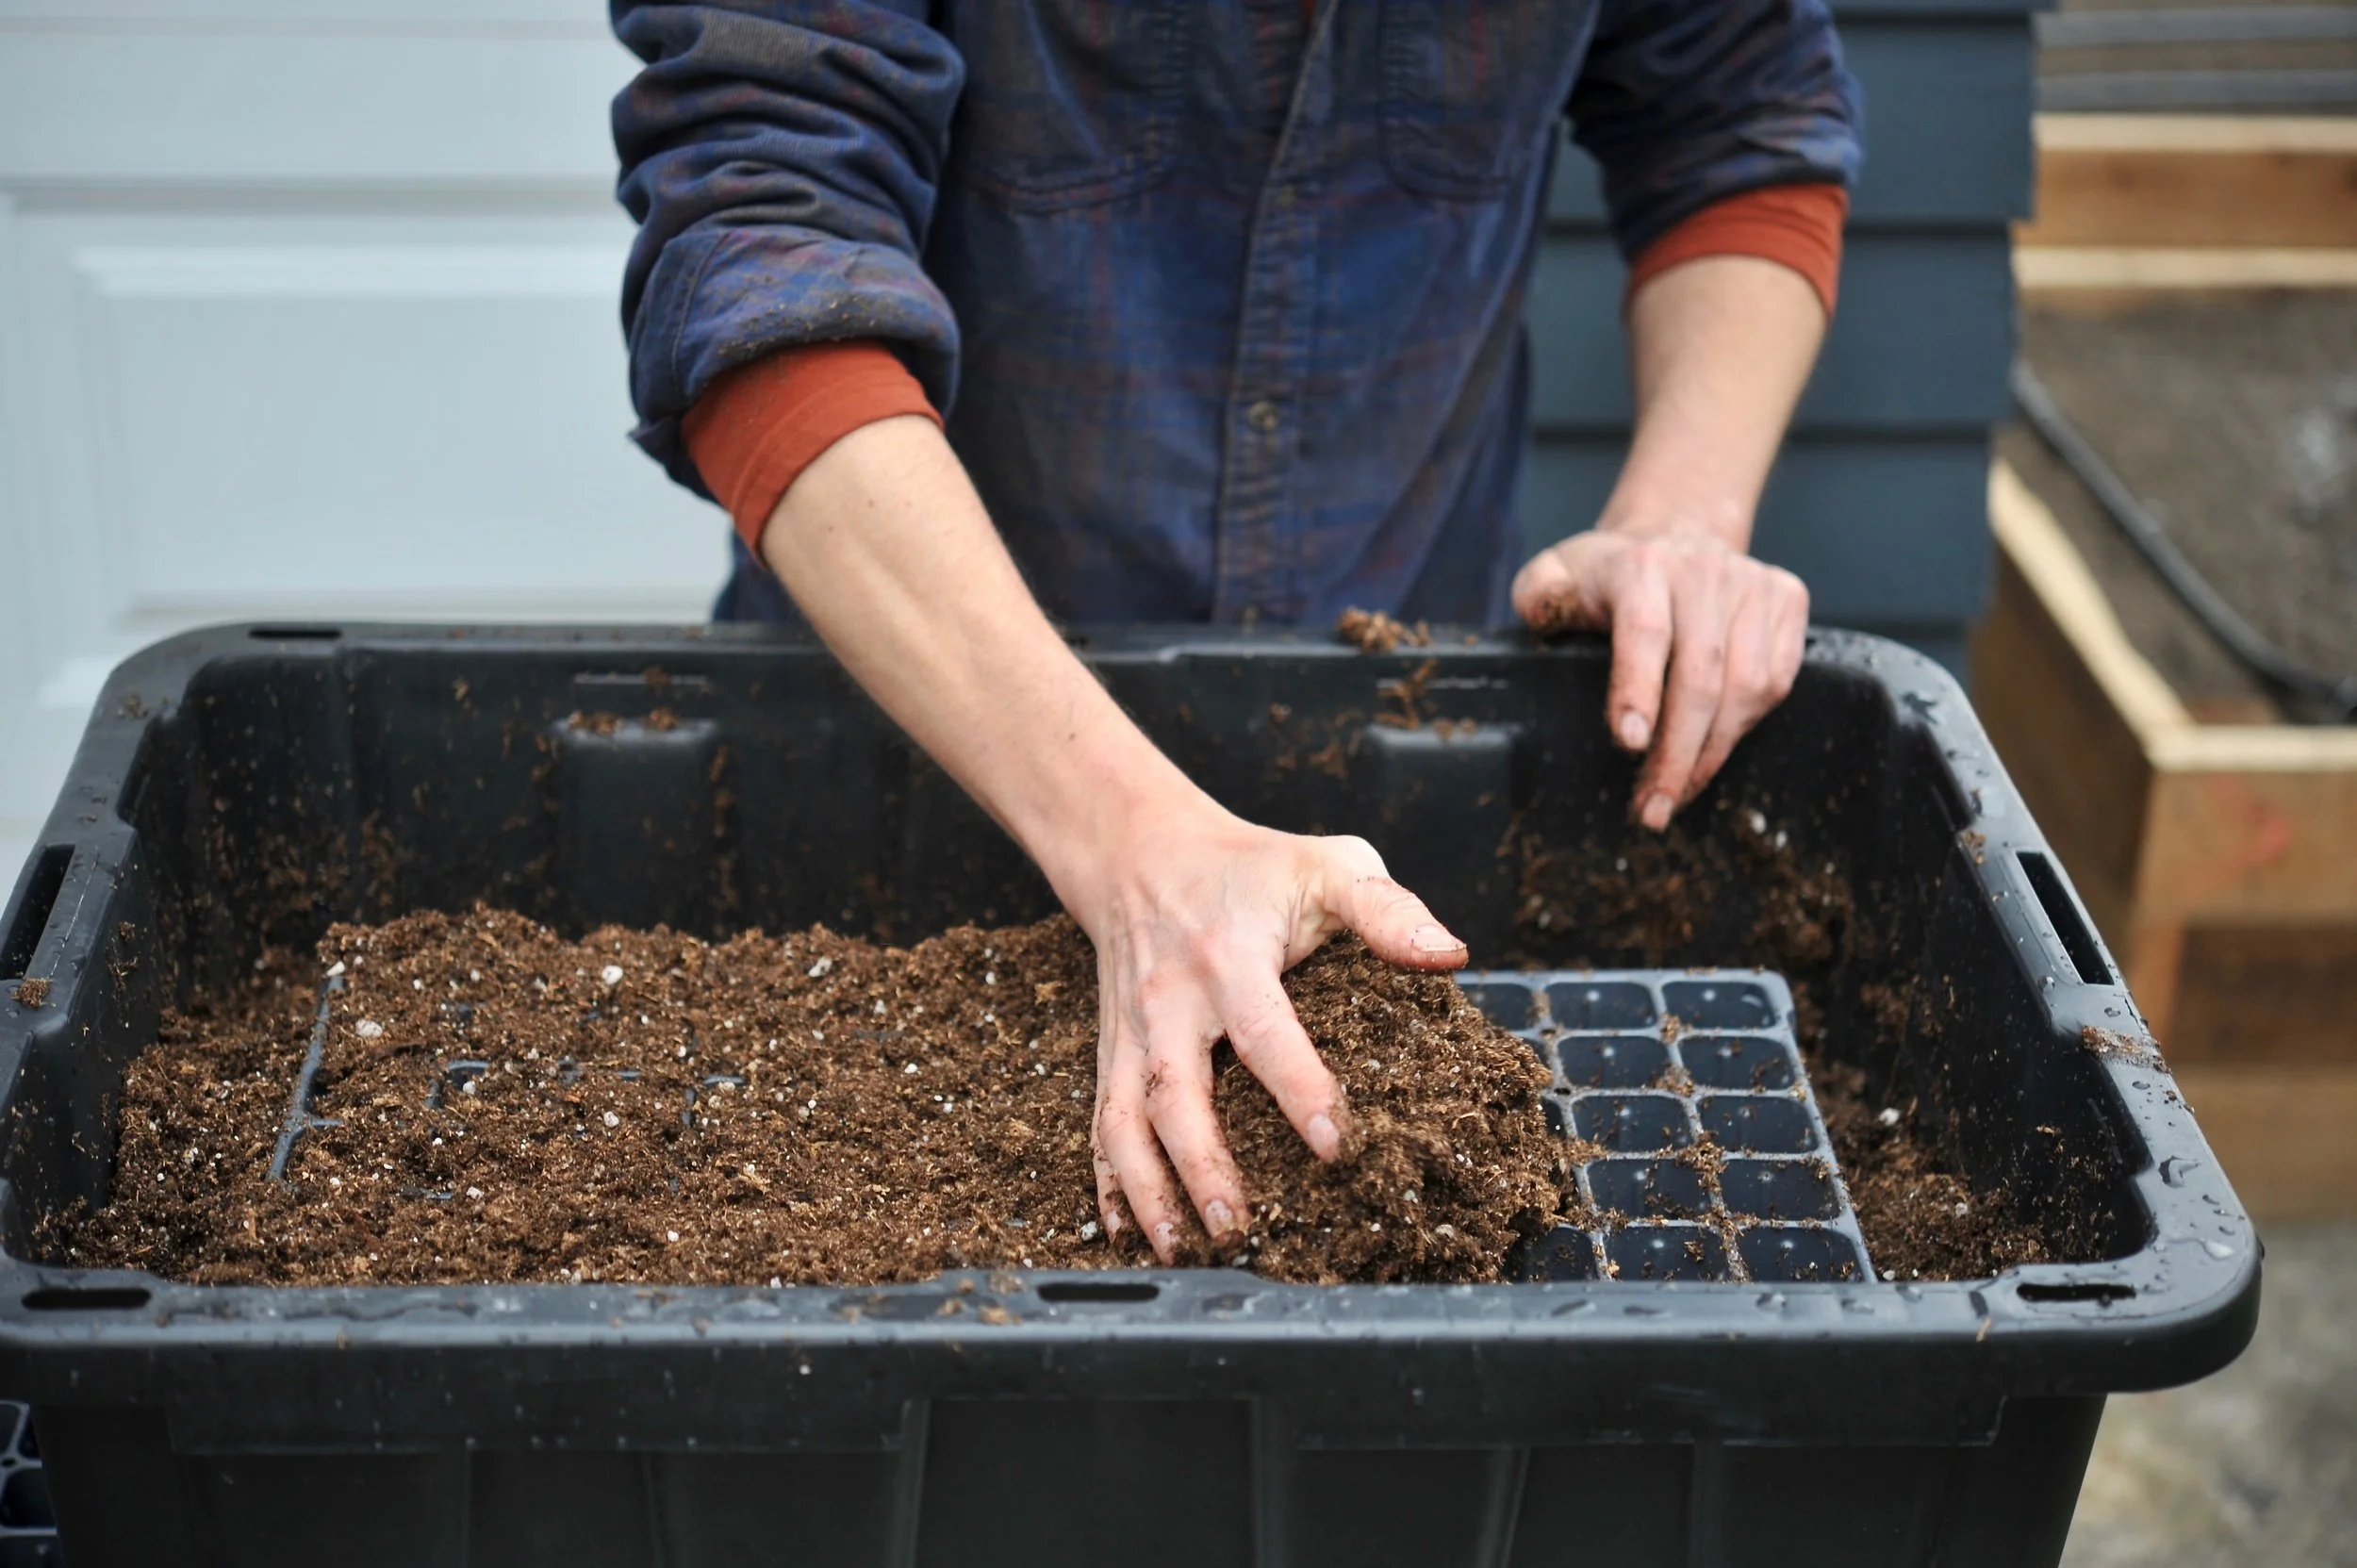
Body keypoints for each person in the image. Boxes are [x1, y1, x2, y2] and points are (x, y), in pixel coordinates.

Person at [610, 2, 1860, 1263]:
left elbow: (1739, 121)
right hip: (926, 765)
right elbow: (756, 248)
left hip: (1393, 784)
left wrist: (1681, 517)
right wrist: (1130, 834)